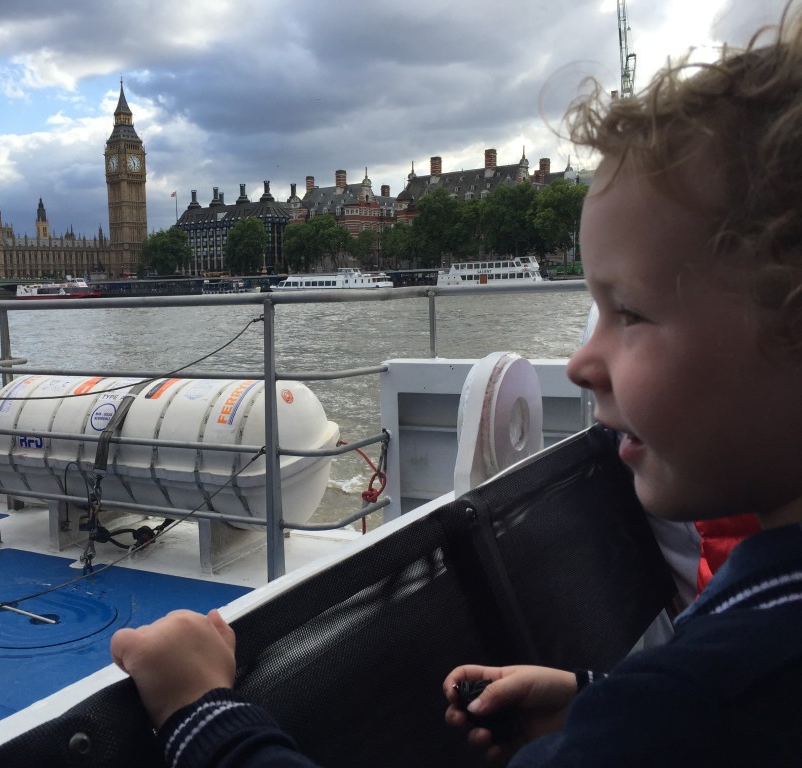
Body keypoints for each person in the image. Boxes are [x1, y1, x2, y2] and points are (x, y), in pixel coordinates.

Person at [111, 8, 802, 766]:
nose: (578, 362)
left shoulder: (698, 700)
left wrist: (200, 714)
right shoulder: (727, 666)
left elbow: (702, 714)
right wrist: (596, 697)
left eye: (627, 312)